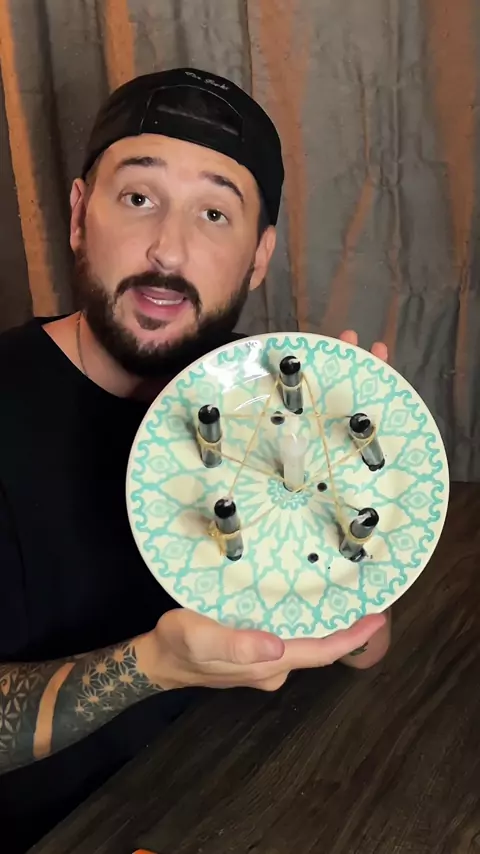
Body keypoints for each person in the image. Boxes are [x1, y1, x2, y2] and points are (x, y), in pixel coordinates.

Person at [0, 67, 391, 851]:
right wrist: (152, 665)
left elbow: (366, 645)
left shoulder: (271, 393)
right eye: (138, 197)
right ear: (78, 216)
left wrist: (353, 522)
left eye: (215, 213)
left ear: (259, 256)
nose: (168, 249)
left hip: (251, 797)